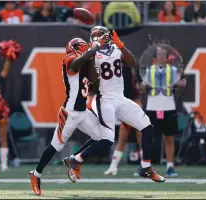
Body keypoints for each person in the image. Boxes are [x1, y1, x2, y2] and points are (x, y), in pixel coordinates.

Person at [67, 26, 165, 183]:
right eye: (94, 35)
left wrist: (121, 46)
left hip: (120, 97)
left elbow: (133, 63)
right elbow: (91, 78)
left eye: (99, 35)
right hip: (103, 99)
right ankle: (76, 159)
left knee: (148, 128)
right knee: (107, 141)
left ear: (106, 36)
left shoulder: (115, 49)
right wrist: (92, 53)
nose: (97, 38)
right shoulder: (90, 54)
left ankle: (146, 167)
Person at [28, 38, 104, 196]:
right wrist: (93, 50)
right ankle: (36, 175)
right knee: (56, 146)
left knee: (101, 137)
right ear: (76, 48)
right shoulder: (69, 60)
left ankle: (73, 159)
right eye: (82, 47)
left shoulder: (85, 62)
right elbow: (78, 62)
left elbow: (95, 83)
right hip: (70, 112)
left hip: (83, 111)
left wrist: (93, 63)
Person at [141, 45, 186, 177]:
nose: (161, 56)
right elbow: (142, 86)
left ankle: (170, 167)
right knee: (148, 138)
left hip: (168, 107)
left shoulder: (173, 70)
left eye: (163, 54)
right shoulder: (149, 70)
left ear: (166, 56)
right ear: (156, 56)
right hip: (152, 107)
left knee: (169, 138)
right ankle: (146, 166)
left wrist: (177, 83)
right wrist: (142, 86)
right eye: (159, 54)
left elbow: (183, 82)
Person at [104, 67, 143, 176]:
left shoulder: (133, 70)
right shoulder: (114, 71)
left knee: (140, 135)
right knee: (122, 135)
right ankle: (113, 166)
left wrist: (141, 87)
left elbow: (140, 87)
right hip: (124, 103)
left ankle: (145, 166)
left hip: (134, 103)